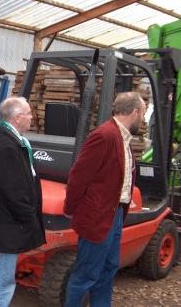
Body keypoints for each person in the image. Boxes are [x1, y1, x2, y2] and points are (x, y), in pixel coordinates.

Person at [64, 91, 146, 307]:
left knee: (109, 269)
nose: (143, 119)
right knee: (86, 274)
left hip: (115, 214)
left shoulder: (123, 137)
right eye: (143, 113)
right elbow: (78, 176)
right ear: (135, 111)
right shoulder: (104, 135)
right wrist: (71, 209)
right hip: (98, 216)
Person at [0, 97, 46, 307]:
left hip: (6, 223)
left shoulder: (12, 142)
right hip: (9, 224)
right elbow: (13, 191)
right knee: (3, 282)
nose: (32, 117)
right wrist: (28, 218)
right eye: (29, 113)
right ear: (18, 117)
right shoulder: (7, 147)